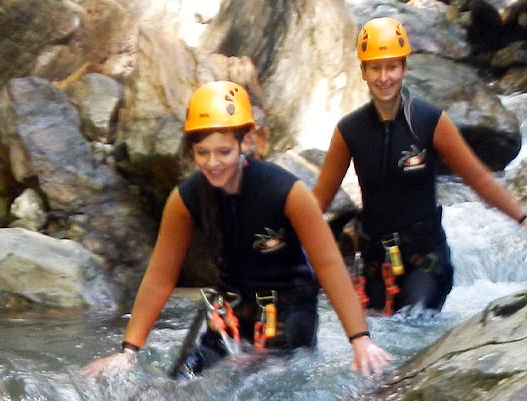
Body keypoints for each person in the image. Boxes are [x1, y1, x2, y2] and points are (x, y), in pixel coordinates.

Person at [84, 82, 392, 379]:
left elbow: (329, 265)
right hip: (230, 315)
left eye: (224, 152)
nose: (213, 163)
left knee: (258, 384)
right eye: (202, 152)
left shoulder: (286, 192)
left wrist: (360, 340)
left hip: (289, 313)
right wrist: (128, 351)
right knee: (179, 384)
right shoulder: (185, 199)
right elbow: (160, 277)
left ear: (245, 143)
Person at [310, 17, 527, 315]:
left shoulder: (429, 121)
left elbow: (478, 179)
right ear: (363, 72)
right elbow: (318, 202)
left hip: (425, 261)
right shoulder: (350, 131)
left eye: (391, 67)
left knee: (413, 320)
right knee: (380, 334)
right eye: (375, 68)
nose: (384, 77)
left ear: (404, 69)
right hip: (377, 265)